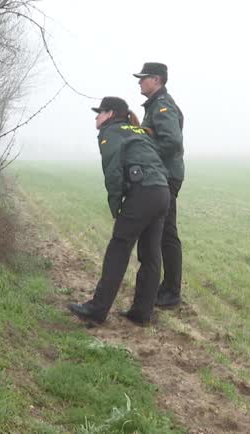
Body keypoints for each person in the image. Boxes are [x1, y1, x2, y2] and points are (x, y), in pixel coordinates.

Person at [68, 97, 170, 327]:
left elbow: (113, 171)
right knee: (151, 254)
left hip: (142, 193)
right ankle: (141, 313)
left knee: (119, 248)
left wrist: (116, 207)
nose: (97, 116)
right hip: (161, 192)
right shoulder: (138, 130)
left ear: (111, 114)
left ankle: (96, 309)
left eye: (100, 112)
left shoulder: (111, 132)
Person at [133, 62, 185, 308]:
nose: (139, 81)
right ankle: (166, 288)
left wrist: (149, 154)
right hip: (164, 174)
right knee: (164, 232)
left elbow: (172, 142)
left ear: (157, 79)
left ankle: (172, 292)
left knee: (167, 233)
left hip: (167, 175)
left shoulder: (162, 105)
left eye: (144, 78)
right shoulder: (156, 104)